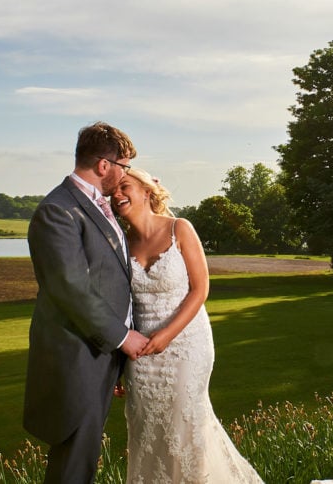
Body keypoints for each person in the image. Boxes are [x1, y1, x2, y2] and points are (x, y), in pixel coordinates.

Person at [112, 168, 263, 483]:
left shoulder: (179, 228)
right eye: (112, 190)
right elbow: (118, 309)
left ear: (147, 191)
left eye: (124, 186)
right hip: (142, 356)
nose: (117, 194)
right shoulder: (121, 245)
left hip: (186, 345)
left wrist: (166, 336)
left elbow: (200, 289)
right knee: (146, 430)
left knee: (185, 427)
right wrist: (116, 366)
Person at [23, 122, 150, 484]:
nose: (125, 174)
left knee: (84, 461)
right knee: (72, 466)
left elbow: (111, 280)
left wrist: (116, 359)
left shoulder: (97, 207)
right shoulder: (58, 210)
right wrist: (122, 338)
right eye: (123, 166)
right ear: (104, 165)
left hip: (100, 354)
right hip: (76, 358)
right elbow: (69, 287)